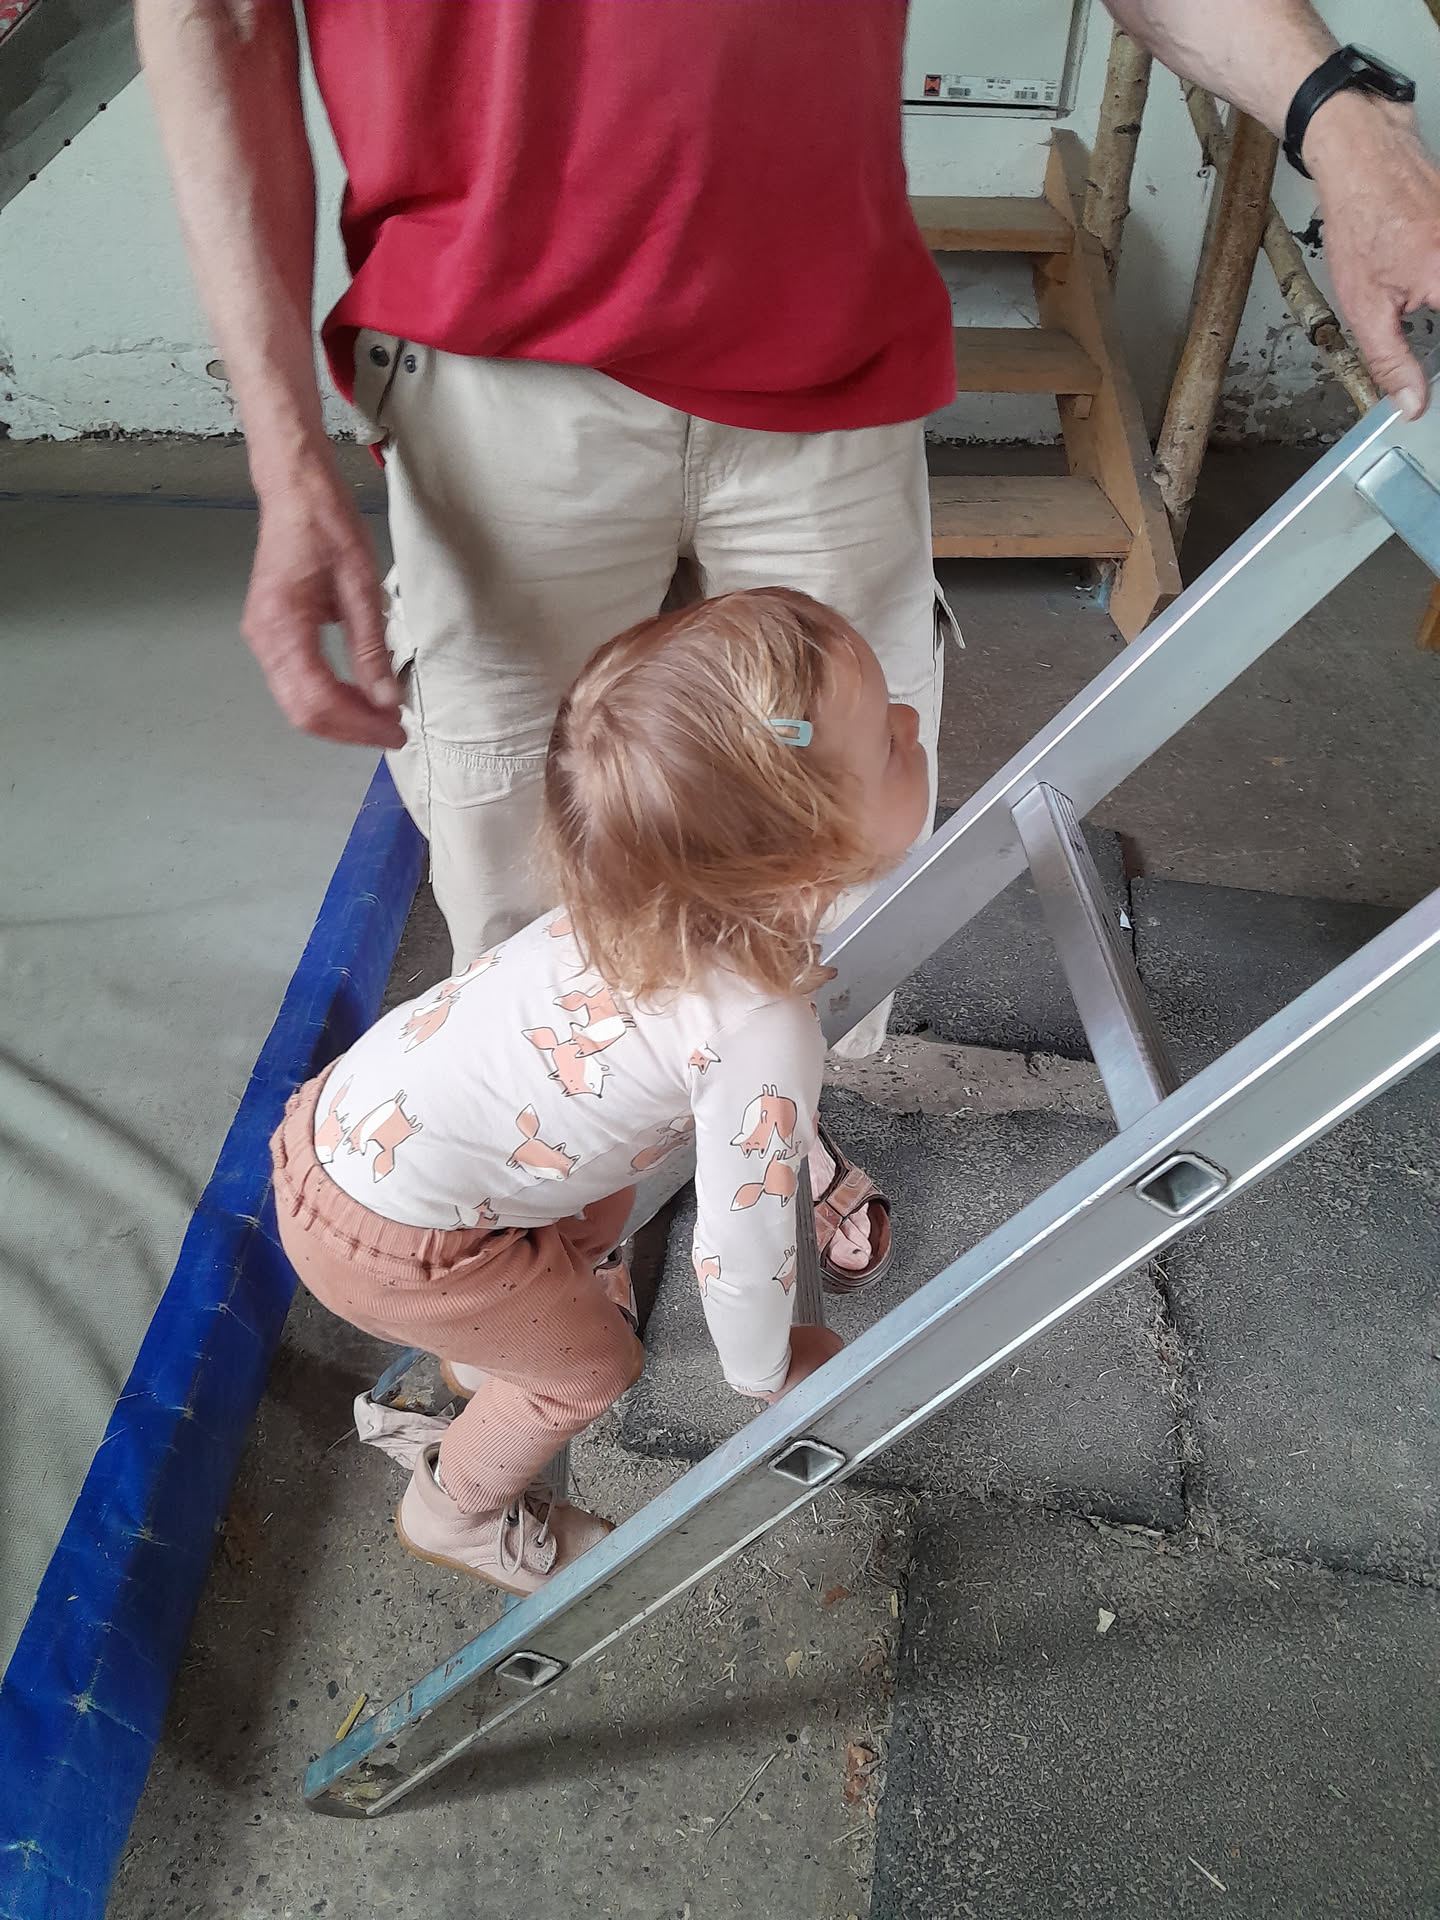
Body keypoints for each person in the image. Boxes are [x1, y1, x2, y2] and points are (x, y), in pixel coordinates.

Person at [139, 0, 1440, 1261]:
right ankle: (554, 1195)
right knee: (528, 853)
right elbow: (218, 19)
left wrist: (1346, 120)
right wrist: (281, 447)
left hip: (828, 341)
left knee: (846, 826)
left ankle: (766, 1117)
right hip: (497, 358)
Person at [269, 587, 928, 1593]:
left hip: (341, 1132)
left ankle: (487, 1351)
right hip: (400, 1246)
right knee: (592, 1370)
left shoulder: (638, 890)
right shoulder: (760, 1035)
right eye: (885, 740)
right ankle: (454, 1507)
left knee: (603, 1202)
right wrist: (767, 1367)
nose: (912, 722)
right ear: (800, 863)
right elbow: (740, 1251)